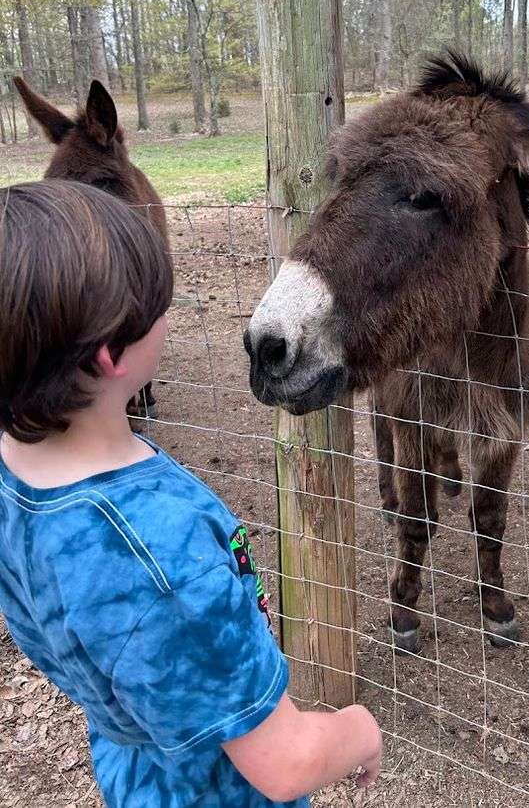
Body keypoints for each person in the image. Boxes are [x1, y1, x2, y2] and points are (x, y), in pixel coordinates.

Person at [0, 180, 382, 808]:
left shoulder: (16, 473)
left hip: (134, 767)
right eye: (158, 304)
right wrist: (355, 730)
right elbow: (284, 763)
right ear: (107, 357)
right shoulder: (162, 556)